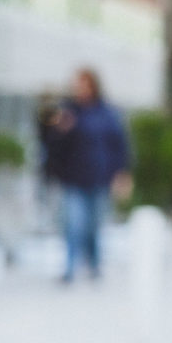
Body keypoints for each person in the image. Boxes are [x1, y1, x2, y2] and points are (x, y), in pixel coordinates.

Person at [44, 68, 131, 282]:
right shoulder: (67, 111)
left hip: (99, 178)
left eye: (83, 84)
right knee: (73, 225)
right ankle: (70, 268)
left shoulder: (107, 113)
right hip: (72, 179)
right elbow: (51, 145)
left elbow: (119, 145)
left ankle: (94, 265)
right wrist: (61, 130)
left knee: (94, 227)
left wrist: (122, 173)